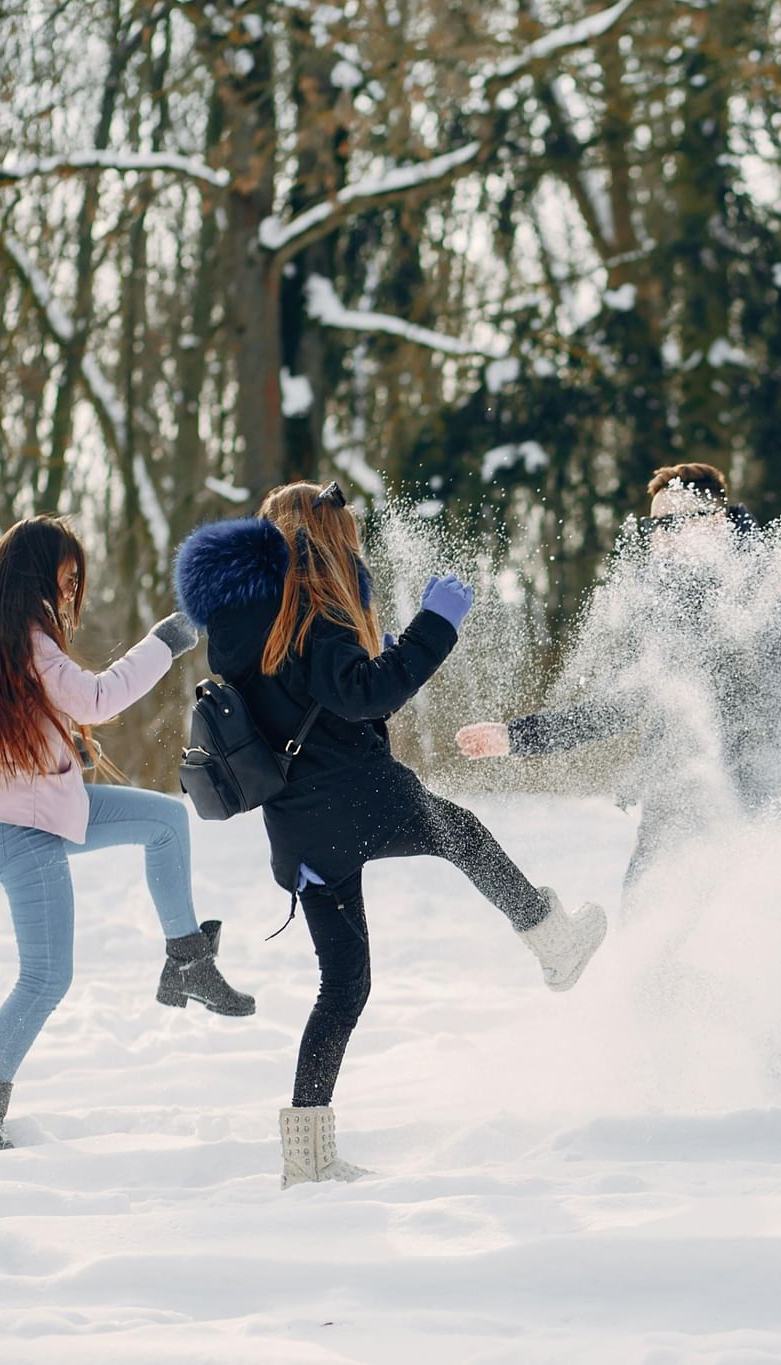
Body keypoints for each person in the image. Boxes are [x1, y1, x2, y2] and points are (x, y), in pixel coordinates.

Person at [173, 481, 608, 1188]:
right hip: (362, 793)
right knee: (462, 833)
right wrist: (435, 624)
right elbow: (367, 692)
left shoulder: (238, 619)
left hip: (299, 830)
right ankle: (552, 939)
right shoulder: (312, 605)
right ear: (327, 535)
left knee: (342, 984)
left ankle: (307, 1159)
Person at [0, 515, 253, 1160]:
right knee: (45, 979)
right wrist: (169, 638)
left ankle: (187, 961)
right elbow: (97, 699)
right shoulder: (21, 634)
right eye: (68, 574)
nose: (71, 587)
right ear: (39, 569)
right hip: (25, 832)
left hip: (41, 809)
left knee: (165, 823)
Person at [455, 463, 781, 905]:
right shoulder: (663, 601)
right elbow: (623, 703)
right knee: (645, 914)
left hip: (757, 786)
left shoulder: (769, 586)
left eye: (672, 523)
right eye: (654, 524)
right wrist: (517, 737)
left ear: (715, 522)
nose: (660, 536)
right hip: (675, 783)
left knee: (724, 922)